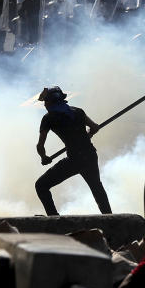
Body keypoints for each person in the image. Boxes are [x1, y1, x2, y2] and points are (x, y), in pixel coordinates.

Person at [35, 86, 112, 216]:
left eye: (45, 102)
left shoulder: (49, 118)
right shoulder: (78, 111)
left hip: (74, 160)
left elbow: (40, 145)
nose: (44, 105)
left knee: (41, 186)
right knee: (97, 188)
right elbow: (95, 127)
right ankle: (110, 218)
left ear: (50, 102)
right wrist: (88, 135)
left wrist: (44, 157)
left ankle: (54, 219)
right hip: (90, 155)